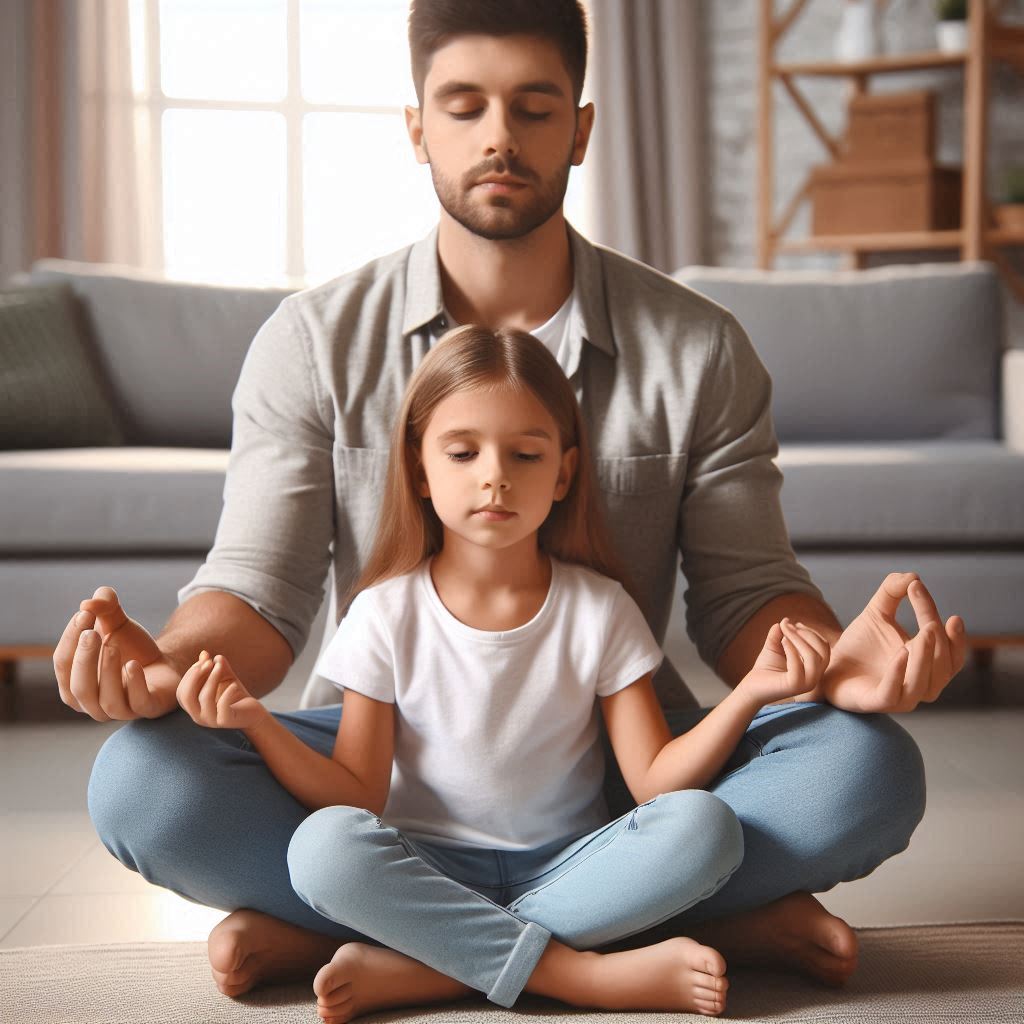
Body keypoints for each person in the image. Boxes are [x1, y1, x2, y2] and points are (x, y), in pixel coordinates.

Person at [56, 0, 967, 1007]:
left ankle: (379, 936)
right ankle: (678, 922)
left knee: (863, 768)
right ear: (417, 129)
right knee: (140, 781)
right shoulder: (309, 342)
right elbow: (257, 595)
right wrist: (166, 666)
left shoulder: (699, 349)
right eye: (464, 106)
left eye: (534, 108)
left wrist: (837, 666)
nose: (498, 136)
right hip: (381, 769)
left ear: (579, 127)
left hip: (618, 773)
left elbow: (745, 594)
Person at [176, 323, 839, 1018]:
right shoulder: (383, 613)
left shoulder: (600, 608)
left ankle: (427, 966)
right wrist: (254, 718)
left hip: (574, 864)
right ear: (420, 470)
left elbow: (655, 782)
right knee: (323, 850)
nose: (494, 475)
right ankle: (581, 975)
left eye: (526, 454)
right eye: (462, 452)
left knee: (705, 828)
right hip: (422, 863)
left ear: (564, 473)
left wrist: (754, 693)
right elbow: (357, 794)